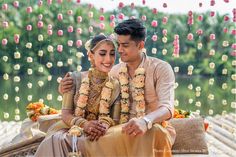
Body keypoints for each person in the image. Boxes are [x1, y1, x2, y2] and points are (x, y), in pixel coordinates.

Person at [59, 19, 176, 157]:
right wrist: (64, 89)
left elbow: (168, 108)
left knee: (151, 132)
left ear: (141, 45)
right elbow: (91, 86)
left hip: (153, 126)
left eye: (125, 45)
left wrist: (145, 121)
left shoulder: (160, 68)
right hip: (119, 128)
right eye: (118, 45)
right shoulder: (115, 71)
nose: (119, 50)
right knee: (88, 138)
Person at [35, 34, 121, 156]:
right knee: (58, 139)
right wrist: (85, 124)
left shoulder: (116, 84)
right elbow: (65, 114)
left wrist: (102, 127)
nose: (108, 59)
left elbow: (115, 119)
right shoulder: (74, 78)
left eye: (112, 54)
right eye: (102, 53)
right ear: (90, 55)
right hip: (71, 127)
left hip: (102, 132)